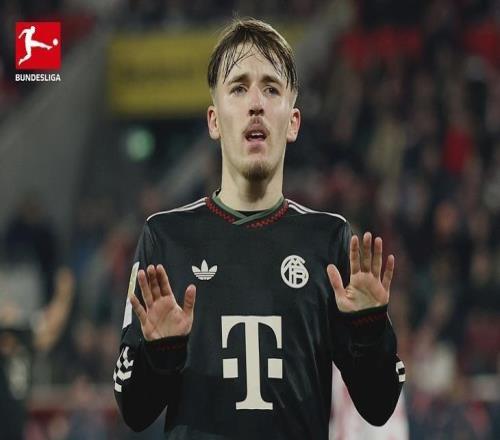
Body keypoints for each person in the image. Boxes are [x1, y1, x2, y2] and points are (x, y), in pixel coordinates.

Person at [114, 18, 405, 439]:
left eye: (271, 89)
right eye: (238, 88)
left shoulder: (329, 241)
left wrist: (370, 331)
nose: (256, 104)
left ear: (293, 122)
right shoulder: (166, 239)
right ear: (214, 121)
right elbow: (133, 409)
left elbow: (379, 408)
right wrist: (160, 353)